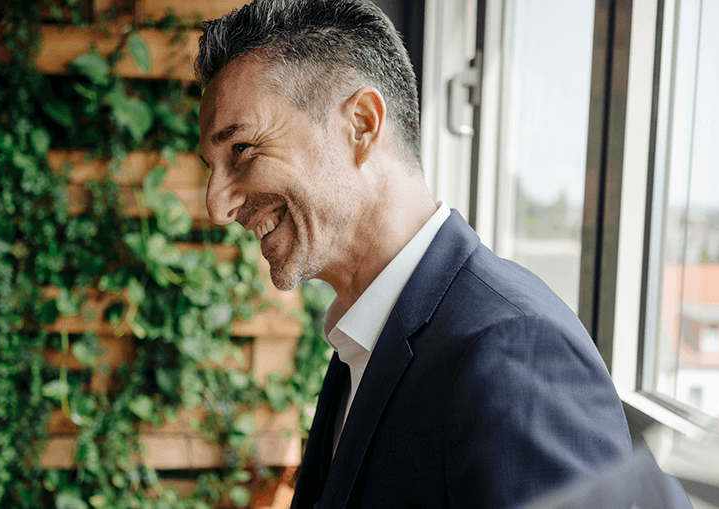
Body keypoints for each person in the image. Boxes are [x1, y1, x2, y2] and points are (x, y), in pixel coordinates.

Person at [194, 1, 635, 507]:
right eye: (212, 166)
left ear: (361, 124)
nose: (217, 206)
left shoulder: (513, 350)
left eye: (242, 150)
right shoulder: (362, 339)